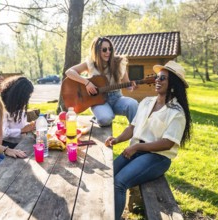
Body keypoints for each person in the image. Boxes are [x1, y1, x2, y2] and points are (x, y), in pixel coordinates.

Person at [105, 60, 192, 220]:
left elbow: (167, 143)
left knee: (119, 183)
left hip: (157, 157)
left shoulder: (177, 112)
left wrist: (137, 148)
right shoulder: (146, 102)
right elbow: (132, 127)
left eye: (162, 78)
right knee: (107, 176)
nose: (157, 81)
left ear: (173, 83)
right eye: (157, 77)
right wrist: (117, 139)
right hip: (137, 151)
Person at [65, 36, 138, 126]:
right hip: (97, 100)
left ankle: (137, 135)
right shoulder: (90, 64)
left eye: (109, 49)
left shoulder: (119, 62)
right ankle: (100, 116)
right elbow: (69, 72)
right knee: (105, 119)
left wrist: (131, 87)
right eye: (104, 49)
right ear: (96, 51)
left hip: (117, 98)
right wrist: (87, 83)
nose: (108, 52)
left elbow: (127, 83)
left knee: (133, 104)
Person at [0, 76, 35, 149]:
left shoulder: (18, 105)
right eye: (27, 96)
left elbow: (19, 124)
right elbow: (3, 133)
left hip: (20, 142)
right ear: (18, 95)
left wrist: (30, 125)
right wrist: (22, 130)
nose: (28, 98)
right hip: (8, 145)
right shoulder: (3, 108)